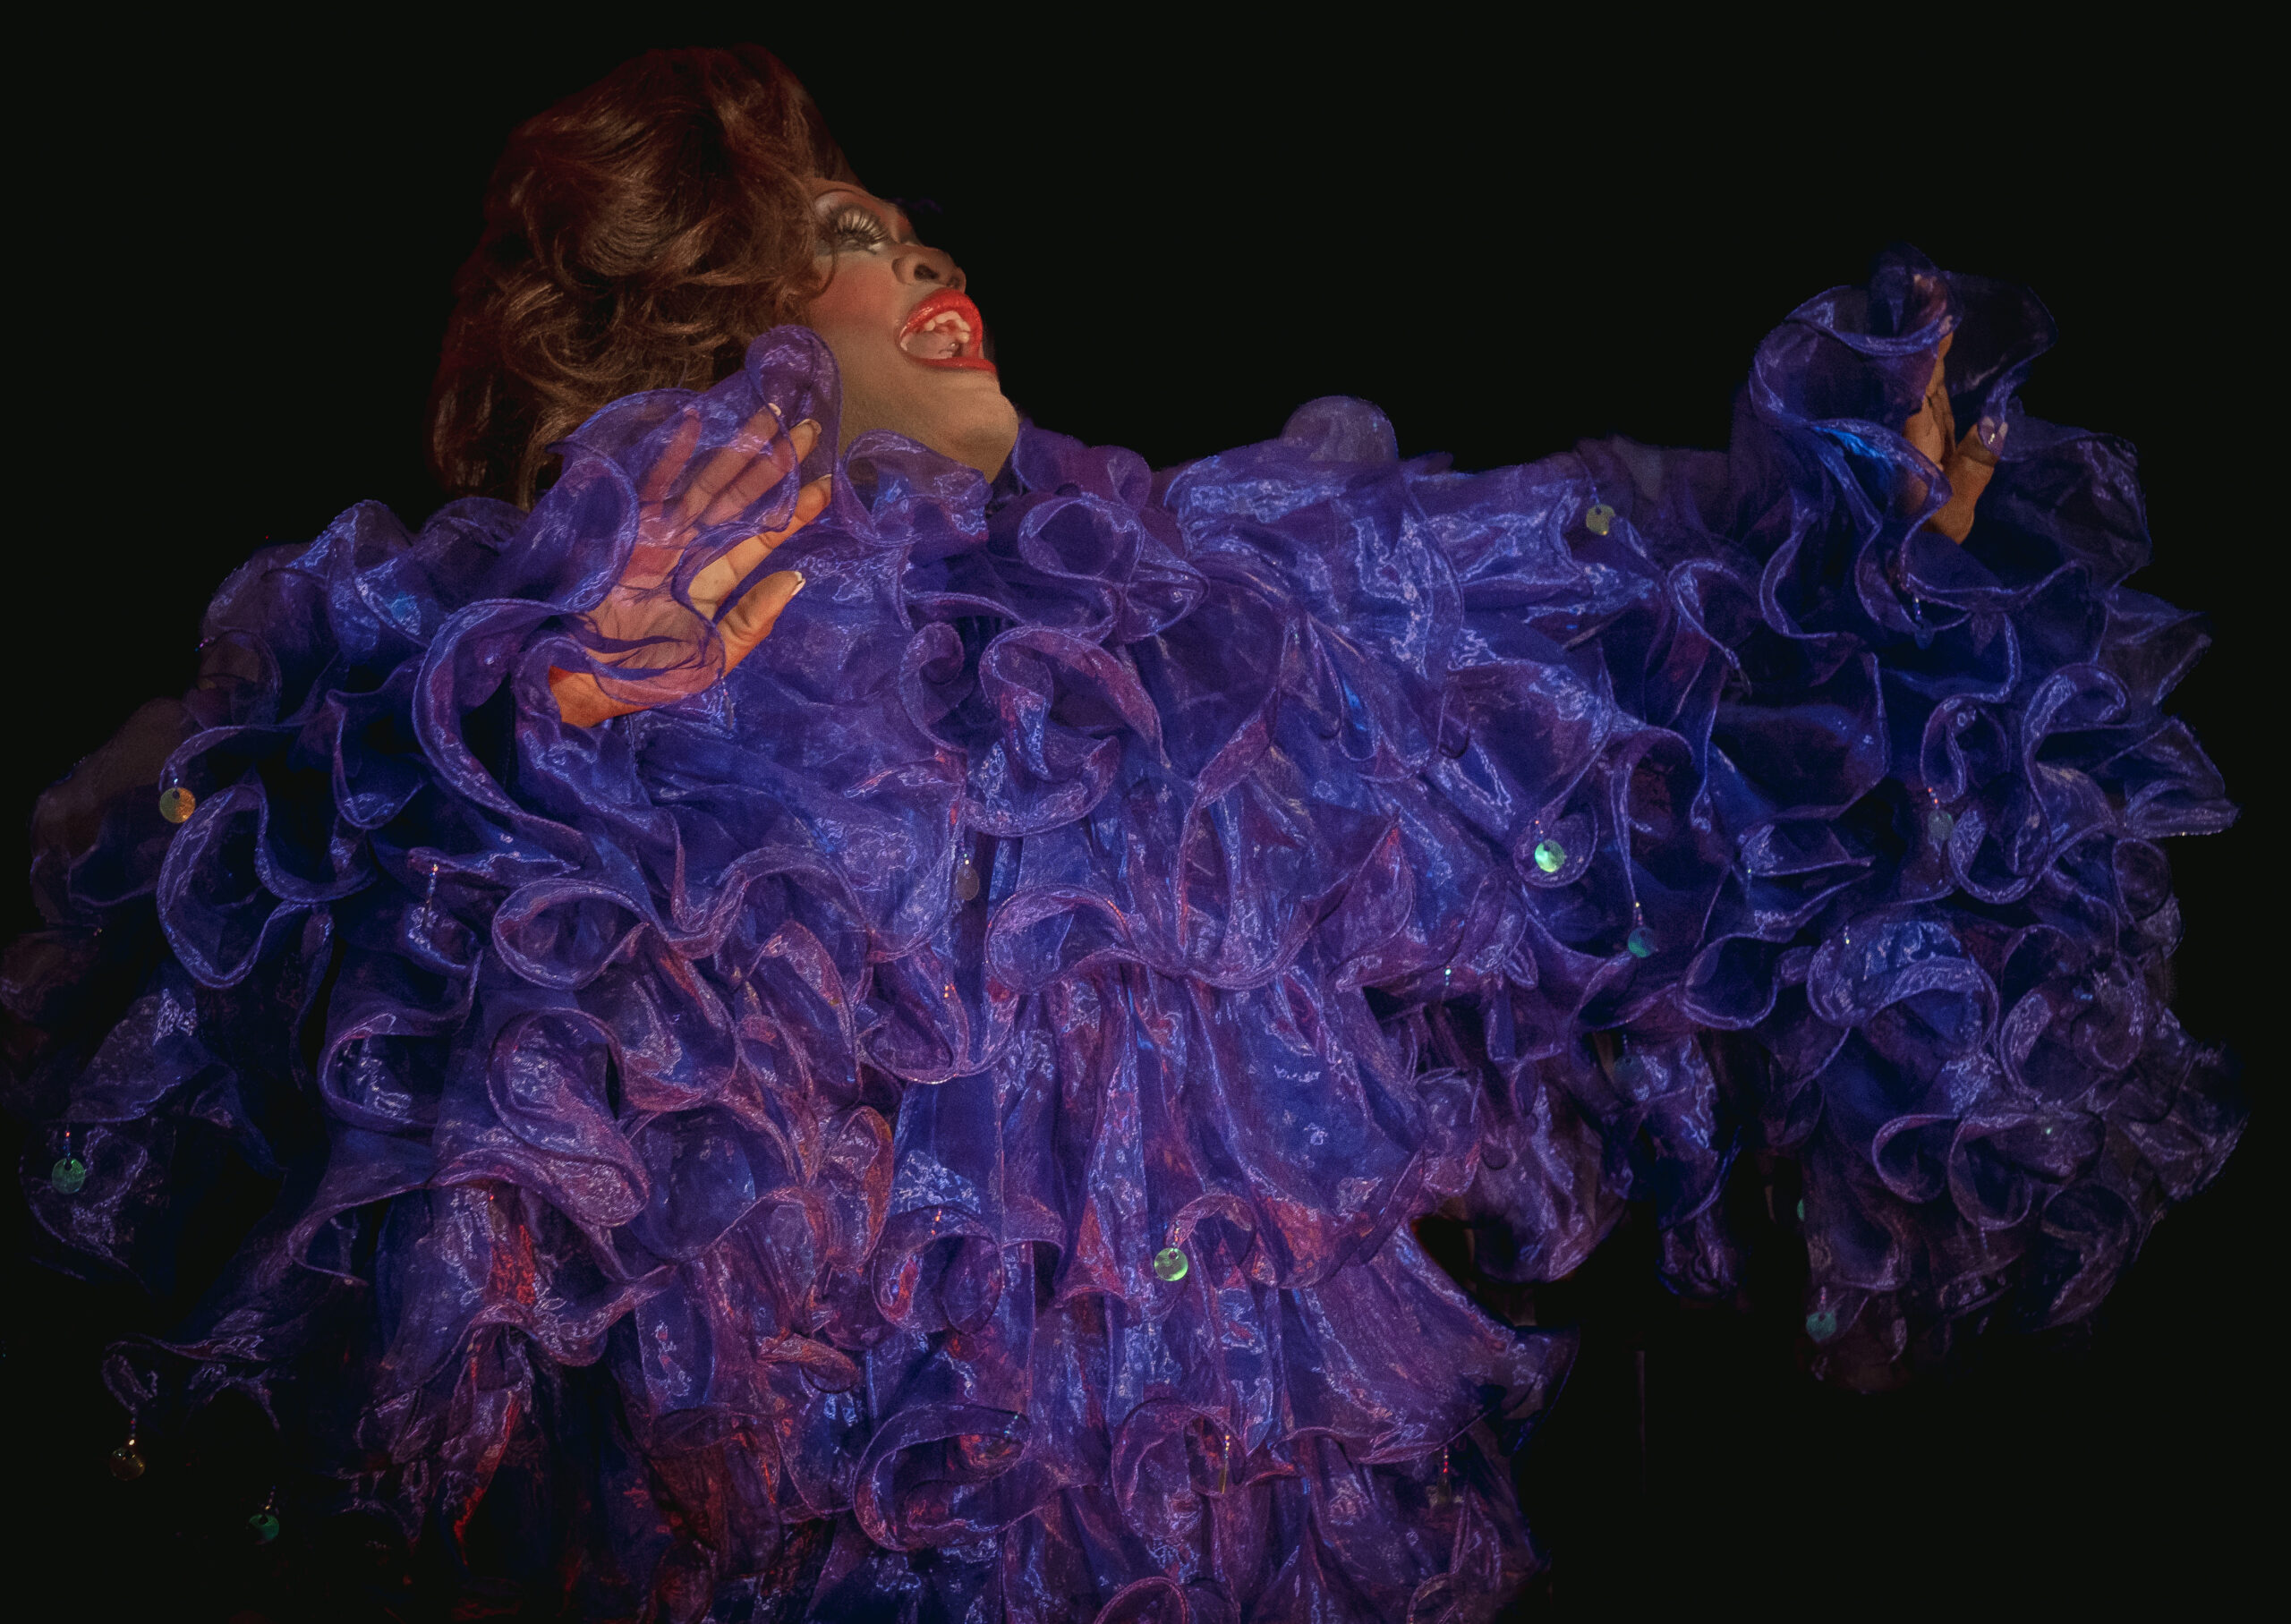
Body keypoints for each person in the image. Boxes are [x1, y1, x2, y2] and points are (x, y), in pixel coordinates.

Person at [7, 44, 2239, 1622]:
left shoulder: (1222, 620)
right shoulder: (590, 697)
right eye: (831, 242)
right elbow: (344, 1221)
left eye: (897, 215)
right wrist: (518, 757)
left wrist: (1862, 593)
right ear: (710, 348)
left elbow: (1614, 727)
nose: (914, 255)